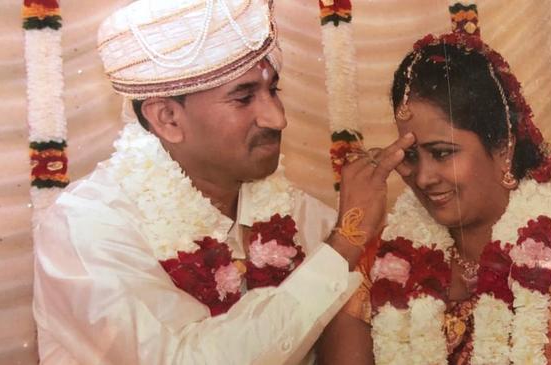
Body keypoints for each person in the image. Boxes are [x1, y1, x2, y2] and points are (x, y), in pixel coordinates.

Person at [31, 1, 414, 364]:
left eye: (272, 90)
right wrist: (346, 242)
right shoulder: (86, 229)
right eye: (244, 98)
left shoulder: (299, 214)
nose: (277, 118)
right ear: (167, 118)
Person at [317, 32, 551, 365]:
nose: (424, 176)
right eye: (411, 156)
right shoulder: (377, 266)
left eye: (442, 153)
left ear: (504, 147)